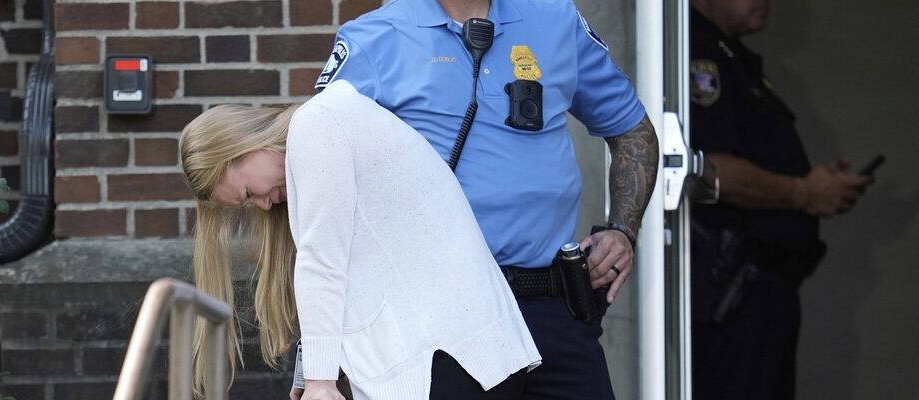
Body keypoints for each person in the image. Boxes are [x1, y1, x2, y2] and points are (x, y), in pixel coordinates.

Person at [308, 1, 659, 399]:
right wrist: (318, 364)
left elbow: (632, 128)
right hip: (442, 319)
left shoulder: (555, 17)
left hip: (553, 305)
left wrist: (622, 230)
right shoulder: (374, 37)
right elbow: (320, 178)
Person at [180, 80, 542, 400]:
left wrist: (320, 381)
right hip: (462, 356)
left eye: (247, 193)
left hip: (443, 363)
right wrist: (314, 368)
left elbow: (322, 264)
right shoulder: (330, 122)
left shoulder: (316, 125)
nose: (261, 204)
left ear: (242, 144)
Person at [688, 1, 872, 399]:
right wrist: (804, 193)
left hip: (761, 291)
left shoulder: (731, 55)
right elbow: (708, 169)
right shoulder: (695, 52)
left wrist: (816, 185)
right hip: (730, 293)